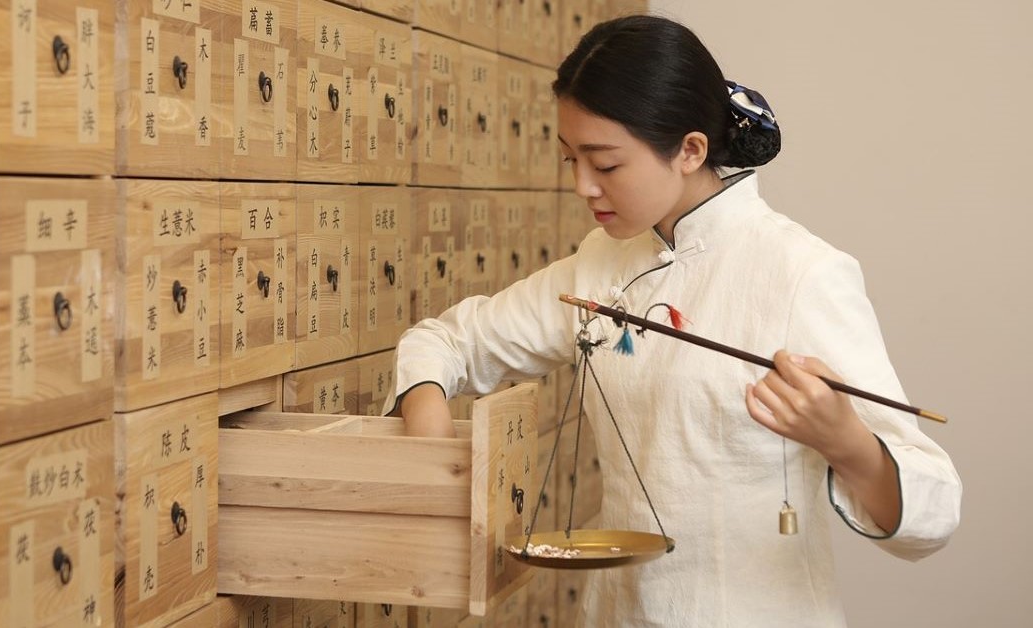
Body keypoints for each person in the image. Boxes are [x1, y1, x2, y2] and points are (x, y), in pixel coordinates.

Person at [381, 14, 962, 628]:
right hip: (619, 615)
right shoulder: (601, 265)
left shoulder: (800, 274)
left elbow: (935, 509)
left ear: (690, 150)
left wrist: (845, 441)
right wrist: (429, 437)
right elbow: (448, 341)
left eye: (605, 165)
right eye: (570, 159)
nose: (582, 186)